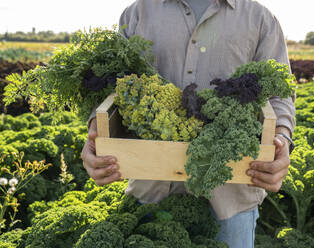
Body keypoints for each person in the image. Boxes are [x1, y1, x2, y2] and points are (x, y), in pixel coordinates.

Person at [81, 0, 296, 247]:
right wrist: (96, 134)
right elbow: (110, 87)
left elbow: (280, 94)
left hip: (231, 200)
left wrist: (282, 140)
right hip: (151, 193)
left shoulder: (260, 19)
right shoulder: (137, 13)